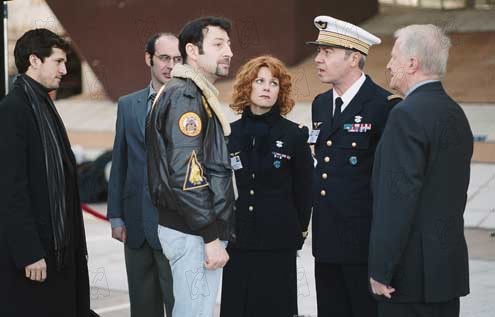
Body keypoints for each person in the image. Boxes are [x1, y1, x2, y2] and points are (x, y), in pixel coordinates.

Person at [369, 24, 472, 317]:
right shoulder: (455, 113)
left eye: (393, 57)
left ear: (412, 63)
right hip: (445, 273)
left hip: (409, 277)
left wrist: (381, 268)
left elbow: (397, 200)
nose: (388, 65)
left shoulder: (405, 115)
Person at [306, 15, 402, 317]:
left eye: (327, 52)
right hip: (326, 242)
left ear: (354, 59)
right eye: (318, 51)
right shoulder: (320, 103)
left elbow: (388, 183)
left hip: (363, 245)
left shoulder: (384, 106)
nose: (318, 59)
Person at [146, 16, 235, 317]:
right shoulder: (186, 95)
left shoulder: (193, 93)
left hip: (192, 229)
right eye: (219, 44)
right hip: (194, 232)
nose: (229, 52)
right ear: (193, 51)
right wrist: (210, 236)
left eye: (229, 44)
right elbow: (187, 173)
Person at [0, 28, 91, 316]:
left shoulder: (42, 104)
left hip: (59, 250)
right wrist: (29, 252)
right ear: (34, 61)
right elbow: (10, 189)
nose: (64, 70)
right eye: (58, 62)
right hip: (35, 257)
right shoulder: (14, 110)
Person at [219, 55, 313, 317]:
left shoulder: (294, 135)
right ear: (247, 87)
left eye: (273, 83)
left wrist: (298, 232)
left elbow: (304, 191)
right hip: (237, 242)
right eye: (259, 81)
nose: (266, 88)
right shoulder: (229, 134)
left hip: (278, 243)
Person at [107, 33, 180, 317]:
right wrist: (116, 216)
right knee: (142, 308)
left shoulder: (192, 105)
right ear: (148, 58)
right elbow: (120, 162)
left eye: (177, 59)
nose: (170, 66)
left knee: (179, 306)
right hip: (135, 224)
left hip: (176, 227)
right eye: (164, 58)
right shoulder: (127, 105)